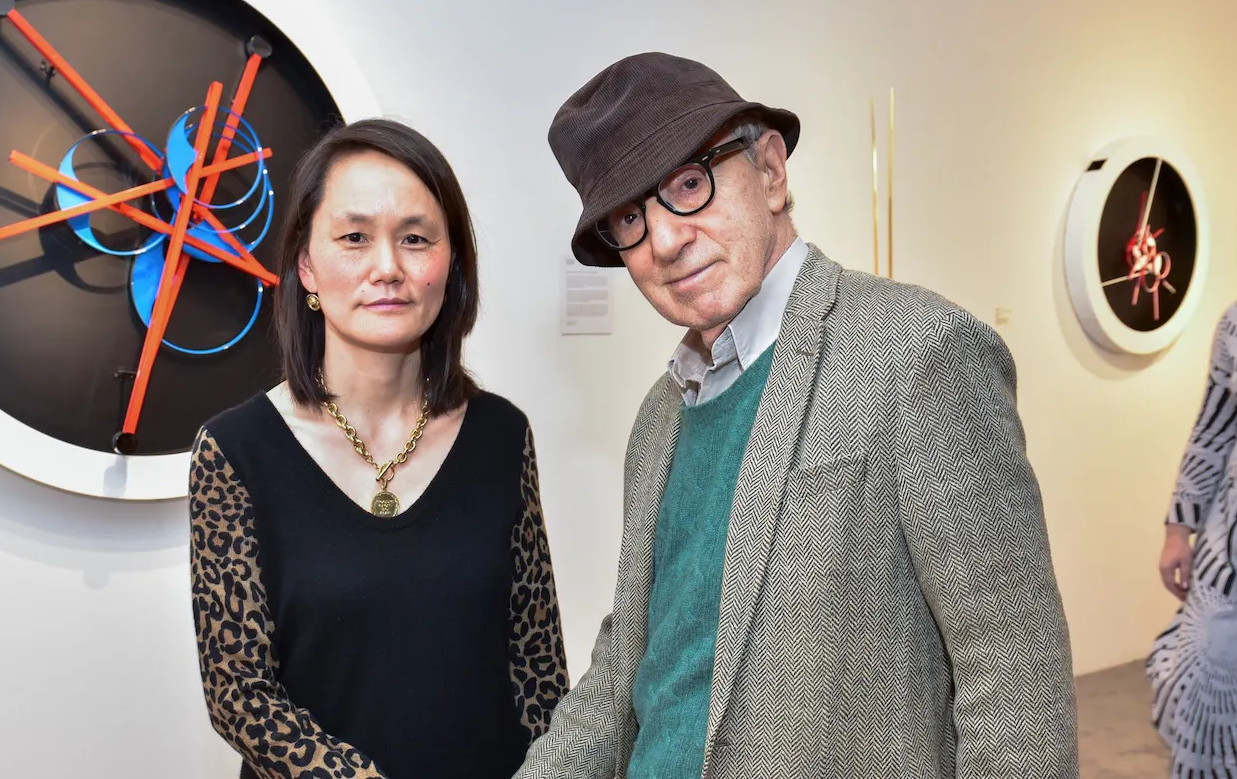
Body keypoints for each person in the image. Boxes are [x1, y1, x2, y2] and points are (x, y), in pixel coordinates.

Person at [514, 52, 1078, 778]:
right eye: (630, 218)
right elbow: (629, 663)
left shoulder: (917, 352)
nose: (666, 240)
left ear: (772, 172)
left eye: (689, 183)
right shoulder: (660, 416)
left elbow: (1016, 680)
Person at [188, 118, 569, 778]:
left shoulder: (503, 436)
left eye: (415, 239)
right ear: (307, 267)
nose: (388, 268)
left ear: (451, 266)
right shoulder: (234, 452)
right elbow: (239, 696)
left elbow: (537, 666)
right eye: (354, 238)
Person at [1147, 301, 1237, 776]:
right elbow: (1213, 431)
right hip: (1228, 552)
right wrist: (1178, 529)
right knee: (1209, 679)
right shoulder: (1235, 322)